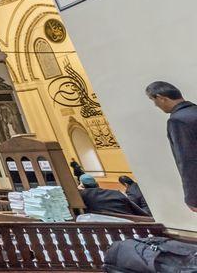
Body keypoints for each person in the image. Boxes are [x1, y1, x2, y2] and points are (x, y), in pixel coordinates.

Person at [146, 80, 197, 212]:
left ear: (161, 98)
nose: (156, 105)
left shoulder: (178, 120)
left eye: (153, 100)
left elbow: (187, 161)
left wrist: (192, 198)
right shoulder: (193, 112)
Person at [78, 174, 149, 216]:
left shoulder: (83, 196)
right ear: (96, 183)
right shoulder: (116, 193)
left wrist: (80, 190)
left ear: (82, 185)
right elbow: (137, 210)